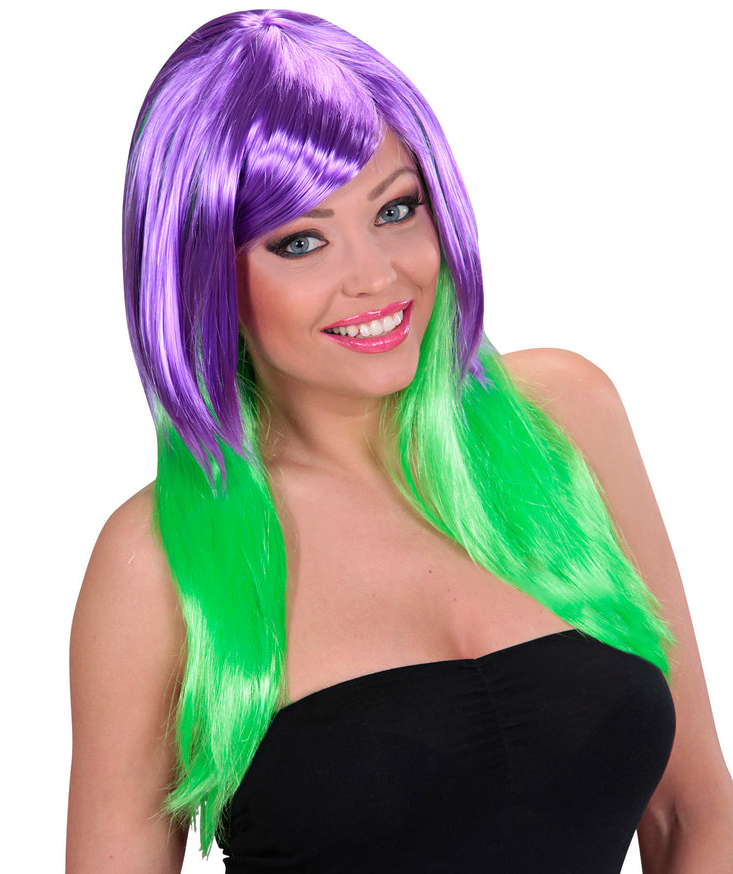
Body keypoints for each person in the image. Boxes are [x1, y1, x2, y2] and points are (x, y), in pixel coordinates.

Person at [66, 9, 733, 873]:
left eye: (396, 208)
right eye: (300, 240)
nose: (377, 275)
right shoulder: (156, 564)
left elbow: (694, 814)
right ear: (202, 277)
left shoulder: (566, 420)